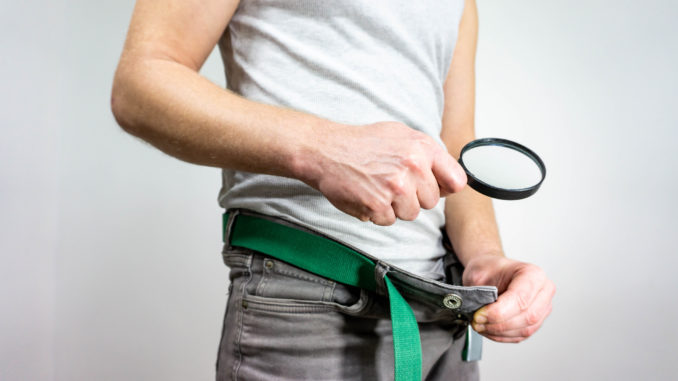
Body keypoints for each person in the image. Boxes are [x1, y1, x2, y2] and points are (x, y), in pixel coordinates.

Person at [111, 0, 555, 379]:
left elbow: (455, 145)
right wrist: (322, 148)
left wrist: (485, 258)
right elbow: (140, 84)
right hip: (309, 305)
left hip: (445, 316)